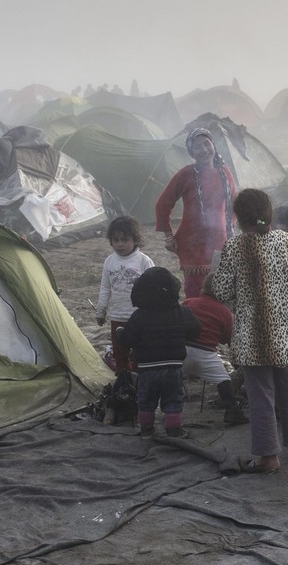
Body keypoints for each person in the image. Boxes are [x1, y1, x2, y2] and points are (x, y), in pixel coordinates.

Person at [211, 188, 288, 474]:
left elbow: (219, 290)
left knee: (261, 396)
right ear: (270, 213)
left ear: (238, 218)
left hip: (253, 337)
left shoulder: (234, 247)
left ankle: (268, 457)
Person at [114, 266, 199, 438]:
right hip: (174, 367)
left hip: (147, 369)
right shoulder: (182, 312)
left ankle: (146, 430)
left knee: (146, 401)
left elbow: (127, 340)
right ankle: (174, 431)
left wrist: (119, 334)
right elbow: (195, 331)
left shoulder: (139, 316)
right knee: (174, 400)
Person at [155, 128, 238, 299]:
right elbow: (163, 204)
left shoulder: (225, 173)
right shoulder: (186, 174)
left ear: (213, 145)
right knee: (195, 292)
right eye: (197, 146)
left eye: (206, 143)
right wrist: (168, 236)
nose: (204, 150)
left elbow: (234, 206)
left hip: (220, 243)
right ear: (191, 152)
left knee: (220, 291)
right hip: (192, 246)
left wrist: (232, 231)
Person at [182, 273, 248, 425]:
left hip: (180, 350)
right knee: (223, 380)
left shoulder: (188, 303)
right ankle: (232, 411)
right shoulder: (225, 312)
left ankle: (169, 412)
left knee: (172, 379)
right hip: (205, 352)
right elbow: (226, 339)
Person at [95, 215, 155, 372]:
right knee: (119, 353)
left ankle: (139, 383)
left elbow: (153, 288)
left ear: (135, 239)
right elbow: (105, 287)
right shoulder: (109, 261)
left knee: (139, 353)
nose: (120, 244)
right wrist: (101, 311)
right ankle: (123, 383)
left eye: (125, 239)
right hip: (117, 316)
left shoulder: (144, 261)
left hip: (139, 317)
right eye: (116, 240)